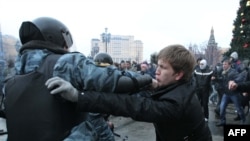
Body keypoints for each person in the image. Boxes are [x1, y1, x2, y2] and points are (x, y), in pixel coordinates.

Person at [3, 17, 154, 141]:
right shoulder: (65, 62)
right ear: (55, 38)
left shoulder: (10, 81)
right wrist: (147, 79)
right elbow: (116, 80)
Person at [46, 44, 213, 141]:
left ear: (178, 74)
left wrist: (79, 97)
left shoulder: (176, 104)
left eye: (163, 68)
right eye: (158, 65)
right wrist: (147, 85)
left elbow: (130, 105)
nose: (157, 71)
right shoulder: (178, 88)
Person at [215, 59, 245, 126]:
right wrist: (216, 79)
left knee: (239, 108)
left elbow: (240, 78)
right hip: (226, 93)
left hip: (234, 94)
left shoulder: (233, 72)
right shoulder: (224, 72)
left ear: (229, 65)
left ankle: (243, 120)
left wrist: (234, 81)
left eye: (225, 64)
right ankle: (223, 121)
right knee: (222, 108)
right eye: (223, 64)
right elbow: (222, 80)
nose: (223, 66)